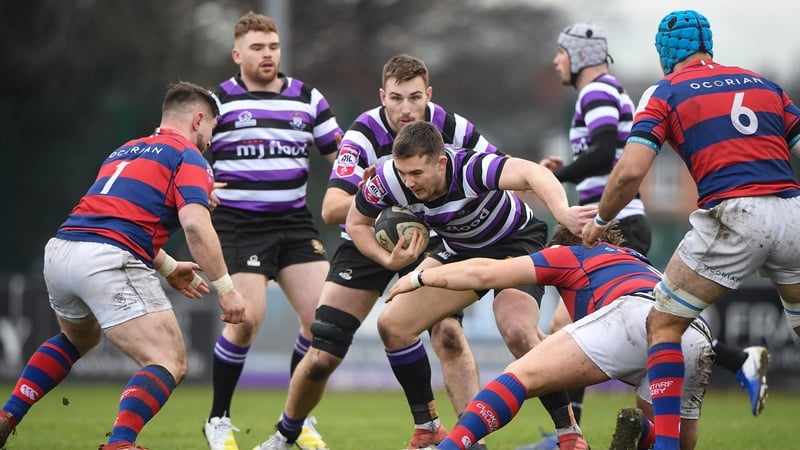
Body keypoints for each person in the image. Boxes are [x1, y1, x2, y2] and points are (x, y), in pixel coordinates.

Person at [530, 20, 768, 450]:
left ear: (580, 56)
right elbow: (606, 152)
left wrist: (559, 175)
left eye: (561, 53)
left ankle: (569, 437)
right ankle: (737, 360)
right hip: (622, 221)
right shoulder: (603, 91)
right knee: (652, 316)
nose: (556, 61)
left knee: (576, 327)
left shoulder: (597, 91)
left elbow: (605, 152)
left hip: (618, 224)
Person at [581, 9, 800, 450]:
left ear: (664, 53)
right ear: (709, 45)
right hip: (793, 212)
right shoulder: (763, 84)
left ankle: (664, 446)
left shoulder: (665, 91)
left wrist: (602, 219)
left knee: (663, 323)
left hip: (736, 213)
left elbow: (629, 173)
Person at [253, 53, 493, 450]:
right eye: (396, 98)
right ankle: (285, 433)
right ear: (382, 96)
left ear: (428, 94)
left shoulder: (451, 127)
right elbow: (332, 209)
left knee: (449, 334)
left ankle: (470, 439)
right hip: (364, 240)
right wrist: (377, 198)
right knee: (322, 352)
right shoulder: (362, 133)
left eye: (415, 98)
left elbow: (497, 169)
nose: (406, 109)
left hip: (428, 242)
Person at [0, 81, 247, 450]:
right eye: (212, 127)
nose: (211, 139)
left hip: (63, 251)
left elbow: (118, 216)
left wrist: (167, 267)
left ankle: (8, 414)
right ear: (198, 119)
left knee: (77, 338)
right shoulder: (189, 156)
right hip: (105, 258)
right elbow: (195, 224)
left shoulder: (126, 149)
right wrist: (226, 290)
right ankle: (120, 443)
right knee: (168, 360)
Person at [346, 121, 595, 449]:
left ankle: (569, 433)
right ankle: (428, 426)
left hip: (515, 242)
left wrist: (562, 212)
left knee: (518, 331)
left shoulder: (471, 168)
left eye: (417, 173)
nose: (408, 182)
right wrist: (387, 260)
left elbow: (533, 172)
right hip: (458, 250)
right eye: (403, 173)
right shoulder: (390, 179)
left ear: (441, 162)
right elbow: (355, 221)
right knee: (392, 325)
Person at [386, 224, 714, 450]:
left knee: (520, 376)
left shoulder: (570, 252)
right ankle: (640, 430)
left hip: (633, 315)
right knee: (671, 442)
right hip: (692, 333)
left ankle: (450, 446)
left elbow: (484, 273)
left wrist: (420, 278)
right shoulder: (637, 260)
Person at [202, 11, 343, 450]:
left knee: (323, 323)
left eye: (274, 47)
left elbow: (340, 155)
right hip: (240, 224)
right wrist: (200, 183)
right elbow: (182, 150)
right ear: (237, 53)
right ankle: (218, 419)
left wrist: (366, 188)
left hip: (294, 222)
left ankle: (297, 421)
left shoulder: (307, 98)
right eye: (258, 47)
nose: (268, 55)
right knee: (247, 321)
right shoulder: (217, 101)